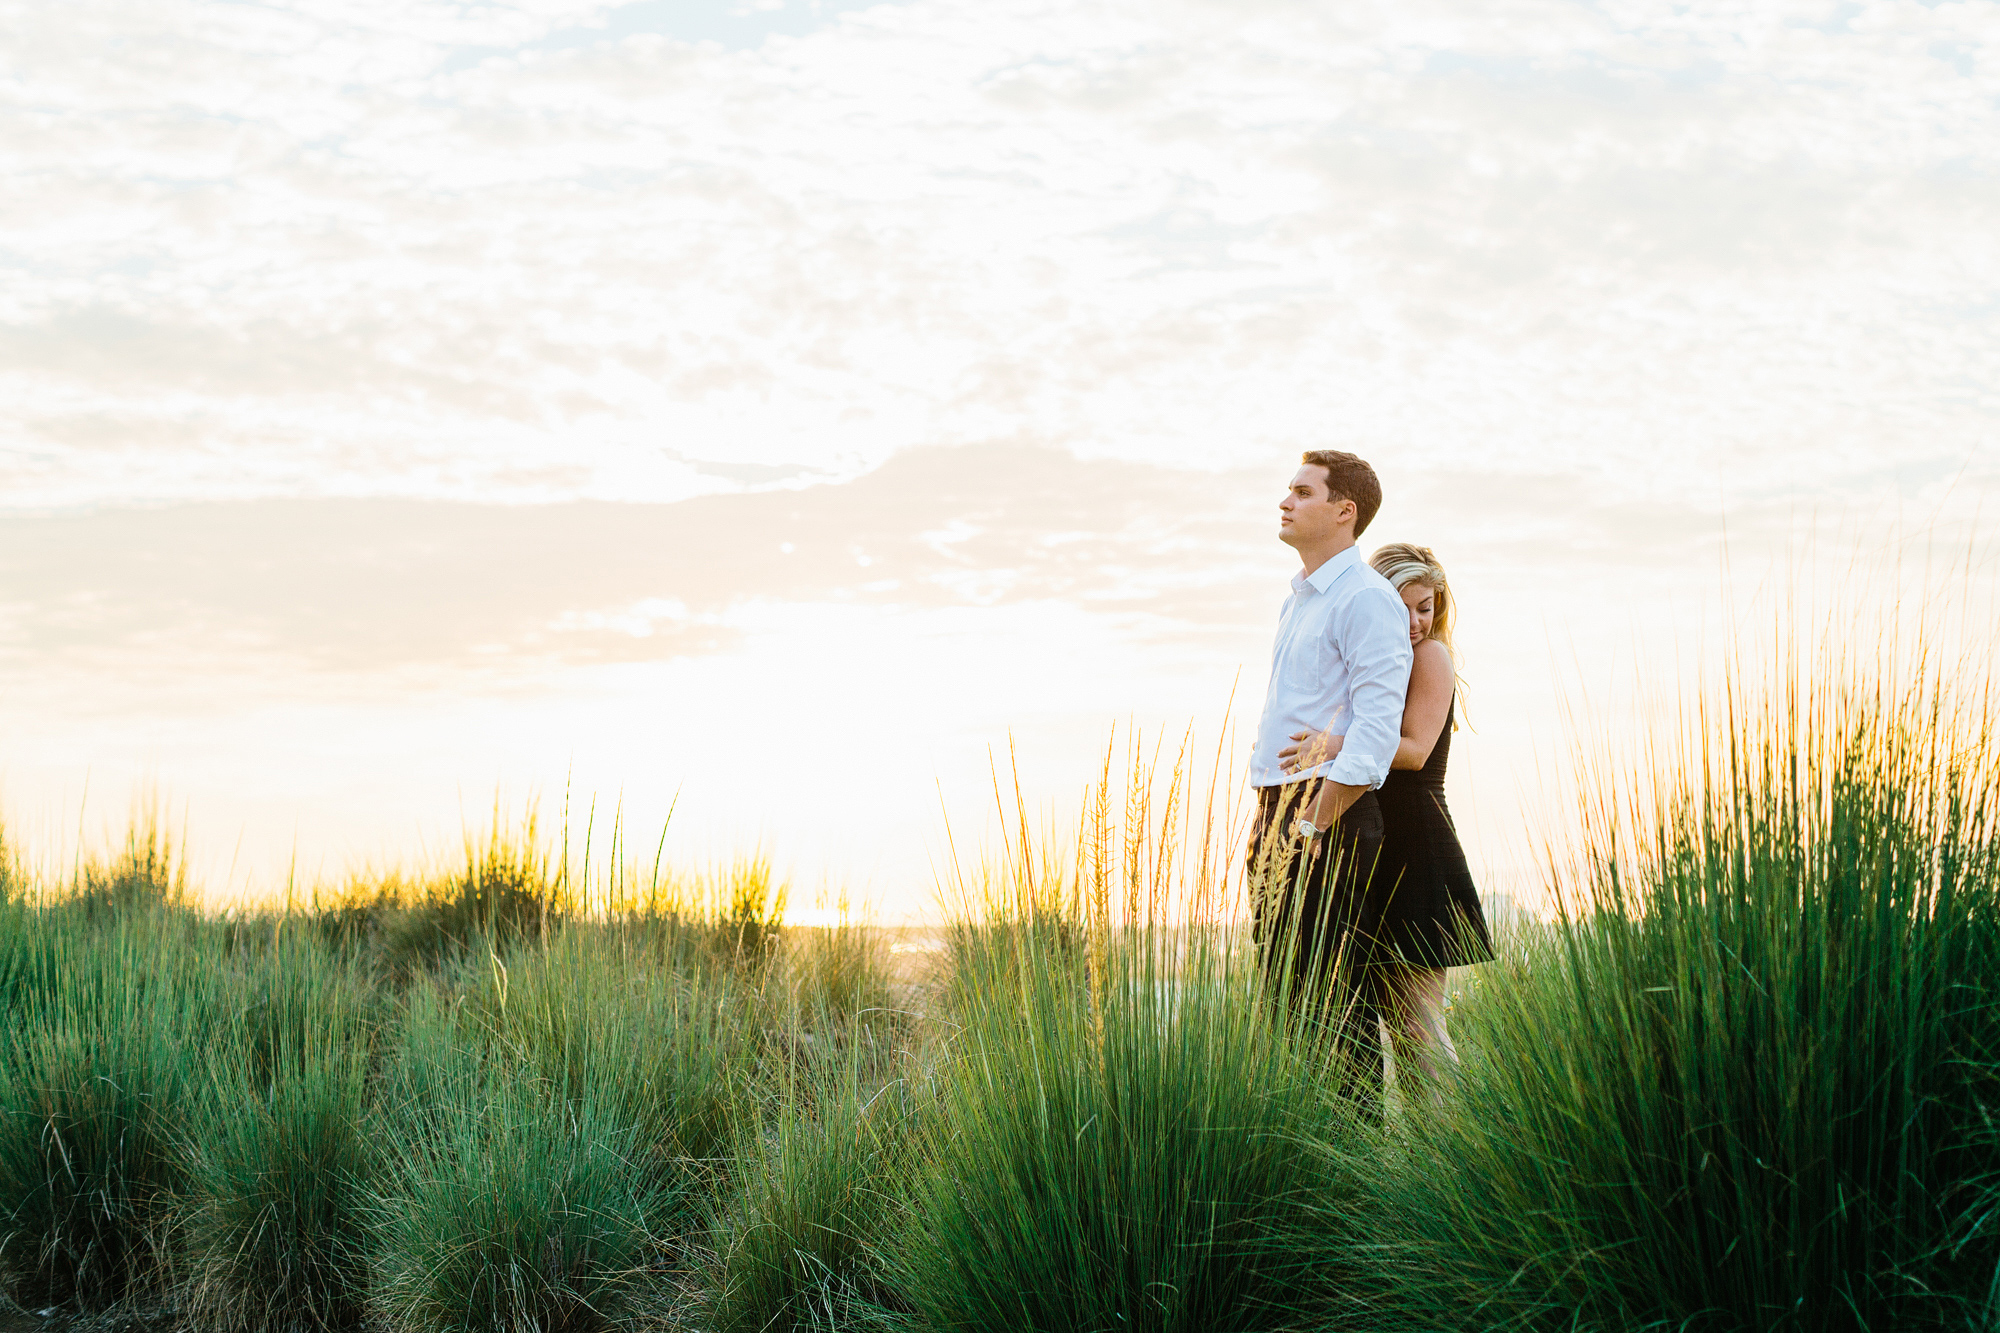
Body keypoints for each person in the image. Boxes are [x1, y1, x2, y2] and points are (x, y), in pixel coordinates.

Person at [1277, 542, 1494, 1091]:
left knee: (1418, 1024)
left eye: (1428, 606)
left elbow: (1416, 750)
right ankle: (1423, 1158)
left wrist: (1332, 743)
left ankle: (1453, 1156)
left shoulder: (1431, 658)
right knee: (1391, 1020)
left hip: (1418, 843)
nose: (1419, 620)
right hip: (1377, 843)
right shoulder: (1378, 656)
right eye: (1407, 606)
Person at [1243, 450, 1412, 1111]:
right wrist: (1265, 823)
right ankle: (1303, 1153)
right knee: (1285, 999)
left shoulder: (1367, 598)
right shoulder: (1301, 600)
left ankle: (1356, 1167)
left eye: (1301, 491)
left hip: (1329, 820)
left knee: (1334, 1003)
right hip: (1282, 813)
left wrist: (1310, 822)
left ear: (1345, 510)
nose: (1285, 500)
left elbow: (1372, 739)